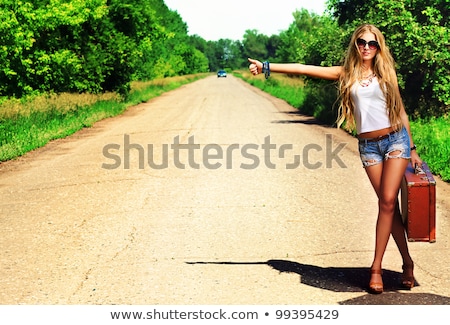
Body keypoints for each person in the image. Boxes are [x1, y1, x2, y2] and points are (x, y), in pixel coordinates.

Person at [248, 23, 422, 294]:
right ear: (355, 45)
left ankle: (375, 268)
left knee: (387, 202)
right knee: (388, 206)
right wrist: (267, 66)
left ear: (378, 47)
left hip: (395, 141)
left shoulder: (386, 73)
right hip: (368, 146)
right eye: (362, 42)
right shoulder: (346, 74)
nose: (366, 47)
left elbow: (400, 111)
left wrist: (412, 149)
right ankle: (407, 263)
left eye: (372, 43)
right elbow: (305, 68)